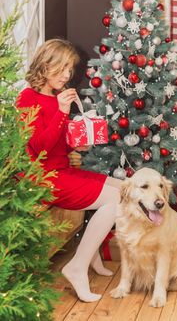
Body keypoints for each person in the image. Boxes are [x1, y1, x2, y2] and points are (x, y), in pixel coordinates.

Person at [16, 38, 121, 303]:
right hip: (41, 178)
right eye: (62, 68)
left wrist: (78, 144)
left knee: (120, 188)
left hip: (60, 171)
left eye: (69, 70)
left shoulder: (54, 98)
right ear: (45, 65)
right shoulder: (27, 98)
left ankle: (92, 253)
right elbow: (39, 147)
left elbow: (57, 144)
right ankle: (77, 266)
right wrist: (63, 111)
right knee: (115, 200)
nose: (67, 75)